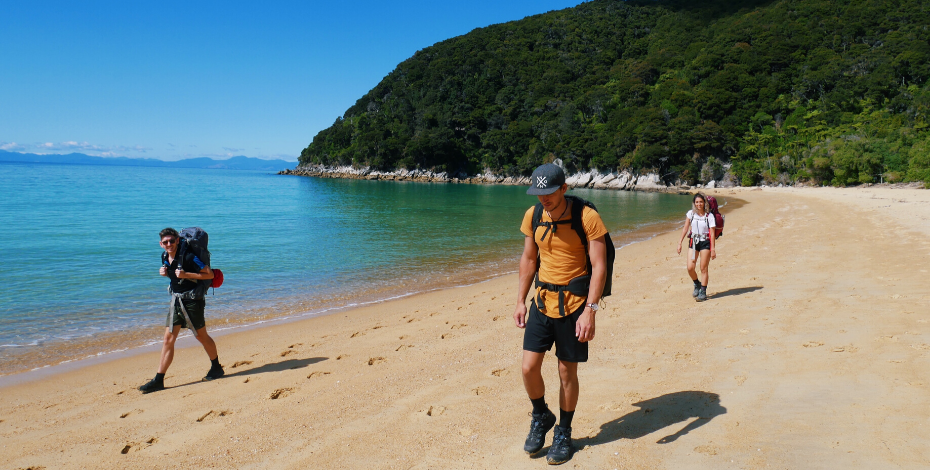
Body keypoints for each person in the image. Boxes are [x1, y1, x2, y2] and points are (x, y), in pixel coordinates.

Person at [513, 163, 608, 465]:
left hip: (574, 306)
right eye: (539, 193)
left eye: (550, 193)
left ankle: (564, 431)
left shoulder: (587, 217)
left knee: (567, 373)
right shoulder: (534, 215)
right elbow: (529, 259)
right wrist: (519, 300)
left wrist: (590, 311)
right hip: (541, 302)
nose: (544, 199)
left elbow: (600, 266)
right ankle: (541, 414)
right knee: (528, 368)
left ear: (564, 189)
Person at [138, 228, 224, 393]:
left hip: (193, 301)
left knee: (201, 336)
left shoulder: (190, 257)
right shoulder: (165, 257)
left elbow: (209, 275)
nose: (168, 244)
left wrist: (186, 274)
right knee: (168, 340)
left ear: (178, 240)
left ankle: (216, 368)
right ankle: (159, 379)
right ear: (161, 244)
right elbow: (174, 277)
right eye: (165, 242)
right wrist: (165, 273)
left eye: (171, 241)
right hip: (176, 301)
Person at [676, 193, 717, 301]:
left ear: (704, 203)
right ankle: (697, 283)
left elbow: (712, 234)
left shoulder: (709, 216)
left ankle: (703, 292)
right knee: (690, 267)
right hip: (693, 242)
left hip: (705, 243)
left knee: (703, 268)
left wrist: (713, 249)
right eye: (697, 202)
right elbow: (685, 229)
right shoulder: (691, 214)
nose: (699, 204)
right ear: (694, 203)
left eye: (701, 202)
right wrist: (679, 242)